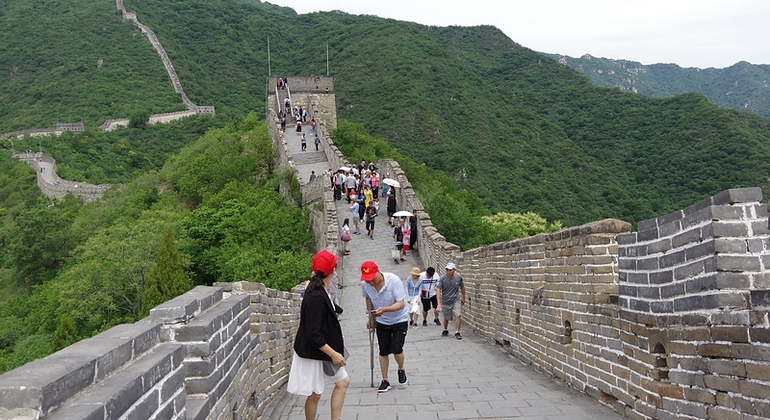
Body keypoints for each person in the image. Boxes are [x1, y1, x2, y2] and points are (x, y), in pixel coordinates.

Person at [287, 250, 349, 420]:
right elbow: (313, 334)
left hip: (323, 348)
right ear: (333, 269)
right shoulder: (315, 295)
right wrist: (334, 354)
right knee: (315, 394)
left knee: (342, 382)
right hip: (313, 351)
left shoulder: (319, 287)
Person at [360, 261, 409, 393]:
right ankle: (385, 380)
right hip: (381, 320)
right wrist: (370, 316)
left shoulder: (394, 281)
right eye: (367, 280)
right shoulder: (365, 285)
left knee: (397, 348)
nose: (370, 282)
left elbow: (401, 304)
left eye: (372, 278)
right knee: (383, 350)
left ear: (378, 271)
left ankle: (401, 368)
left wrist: (385, 309)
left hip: (399, 318)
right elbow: (368, 299)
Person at [436, 262, 466, 340]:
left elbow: (462, 287)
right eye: (447, 270)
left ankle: (457, 332)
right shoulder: (443, 278)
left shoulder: (458, 277)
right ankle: (445, 329)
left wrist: (463, 297)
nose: (448, 271)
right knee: (446, 317)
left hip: (456, 299)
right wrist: (439, 303)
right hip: (446, 300)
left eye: (450, 270)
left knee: (458, 315)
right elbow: (438, 290)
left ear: (454, 270)